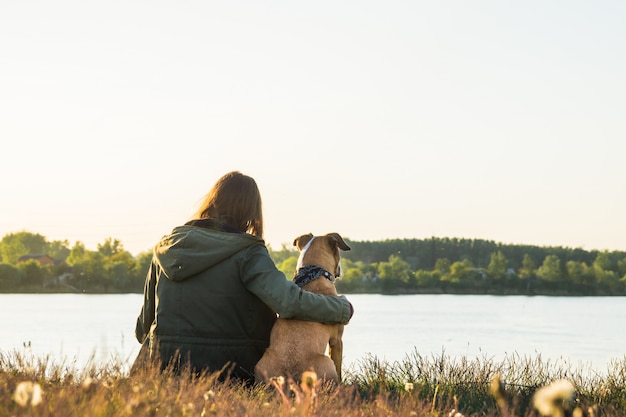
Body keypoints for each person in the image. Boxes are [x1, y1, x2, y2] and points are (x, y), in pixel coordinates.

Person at [133, 171, 353, 382]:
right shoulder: (249, 252)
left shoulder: (165, 248)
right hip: (231, 369)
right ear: (250, 213)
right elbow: (288, 302)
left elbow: (143, 327)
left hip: (163, 368)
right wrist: (341, 309)